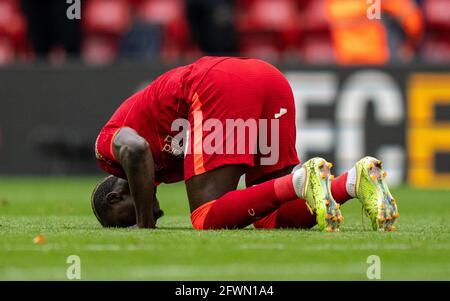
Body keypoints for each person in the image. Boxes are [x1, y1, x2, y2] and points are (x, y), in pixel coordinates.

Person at [91, 56, 399, 232]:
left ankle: (300, 180)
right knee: (270, 219)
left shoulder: (107, 149)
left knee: (206, 217)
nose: (152, 214)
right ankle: (353, 182)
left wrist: (144, 226)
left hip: (215, 84)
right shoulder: (160, 167)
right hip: (267, 78)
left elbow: (135, 150)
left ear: (115, 199)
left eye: (124, 221)